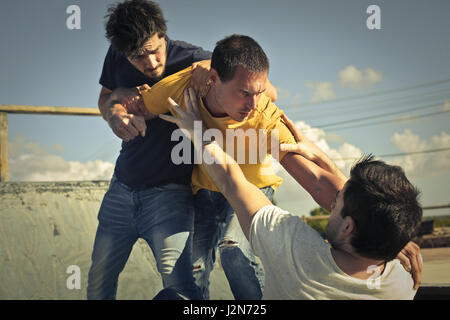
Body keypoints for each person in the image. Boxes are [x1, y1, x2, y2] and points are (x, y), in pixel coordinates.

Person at [137, 34, 422, 299]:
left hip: (253, 190)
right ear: (213, 78)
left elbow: (314, 181)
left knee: (233, 252)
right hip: (205, 193)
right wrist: (122, 103)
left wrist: (381, 229)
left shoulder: (266, 117)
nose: (255, 102)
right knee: (194, 268)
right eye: (245, 92)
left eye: (260, 92)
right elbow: (139, 106)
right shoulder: (180, 88)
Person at [87, 0, 213, 300]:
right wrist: (113, 114)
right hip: (121, 189)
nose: (151, 63)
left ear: (163, 33)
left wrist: (212, 67)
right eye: (138, 57)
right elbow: (106, 97)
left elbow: (260, 87)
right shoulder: (116, 57)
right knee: (97, 282)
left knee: (181, 290)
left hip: (171, 195)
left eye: (154, 50)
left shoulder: (193, 59)